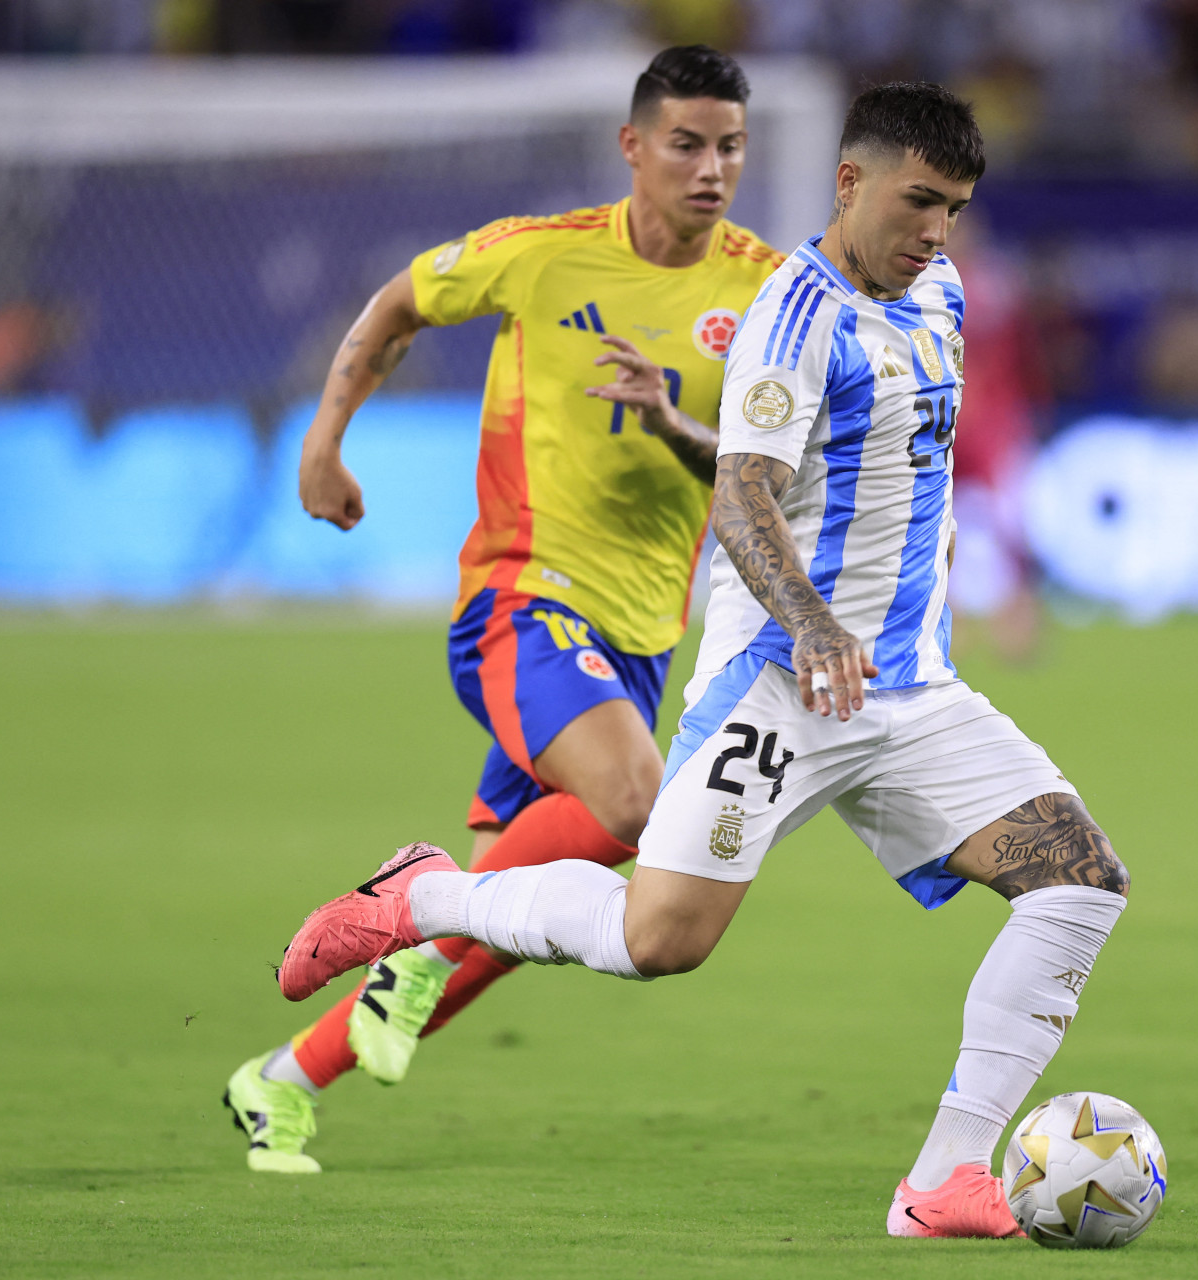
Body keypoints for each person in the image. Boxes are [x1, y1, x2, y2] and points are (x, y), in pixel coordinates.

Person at [276, 83, 1137, 1241]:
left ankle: (943, 1178)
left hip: (912, 690)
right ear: (850, 183)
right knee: (657, 940)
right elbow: (744, 494)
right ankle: (422, 893)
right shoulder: (796, 314)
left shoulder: (938, 291)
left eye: (956, 206)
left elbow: (861, 470)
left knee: (1080, 876)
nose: (936, 230)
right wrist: (818, 624)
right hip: (783, 684)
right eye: (919, 201)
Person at [221, 45, 784, 1174]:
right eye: (686, 143)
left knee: (498, 925)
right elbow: (396, 307)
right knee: (635, 807)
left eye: (729, 145)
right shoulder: (540, 255)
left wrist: (673, 423)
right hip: (521, 602)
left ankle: (276, 1082)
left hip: (637, 637)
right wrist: (323, 437)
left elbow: (760, 472)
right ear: (634, 147)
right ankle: (419, 902)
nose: (711, 167)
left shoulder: (765, 291)